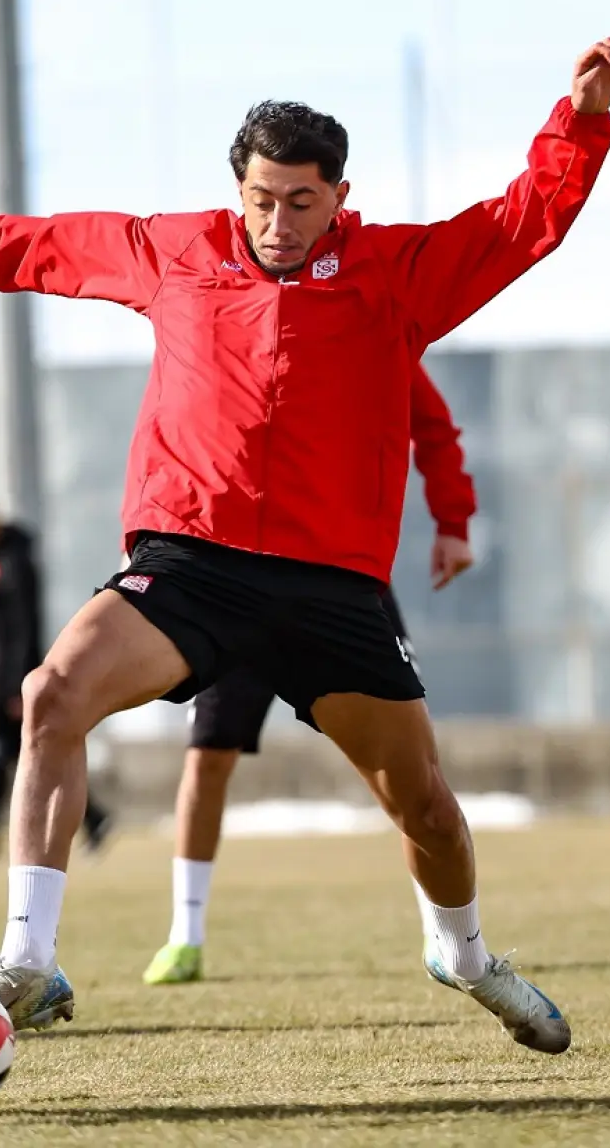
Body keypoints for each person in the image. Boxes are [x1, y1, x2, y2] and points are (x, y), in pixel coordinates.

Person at [0, 37, 610, 1055]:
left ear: (340, 196)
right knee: (50, 693)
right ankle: (26, 959)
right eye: (261, 200)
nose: (278, 223)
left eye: (301, 202)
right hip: (192, 564)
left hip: (332, 589)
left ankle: (462, 953)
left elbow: (522, 221)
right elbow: (45, 246)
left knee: (427, 808)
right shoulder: (176, 251)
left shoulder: (396, 274)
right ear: (238, 190)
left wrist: (581, 117)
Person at [143, 361, 477, 985]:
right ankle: (185, 936)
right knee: (207, 757)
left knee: (406, 770)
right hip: (234, 578)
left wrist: (453, 523)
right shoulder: (235, 336)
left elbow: (433, 428)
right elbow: (179, 421)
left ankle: (443, 934)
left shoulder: (371, 336)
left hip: (340, 584)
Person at [0, 491, 111, 859]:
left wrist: (18, 687)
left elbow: (26, 628)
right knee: (10, 757)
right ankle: (92, 818)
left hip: (11, 684)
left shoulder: (16, 562)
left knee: (24, 756)